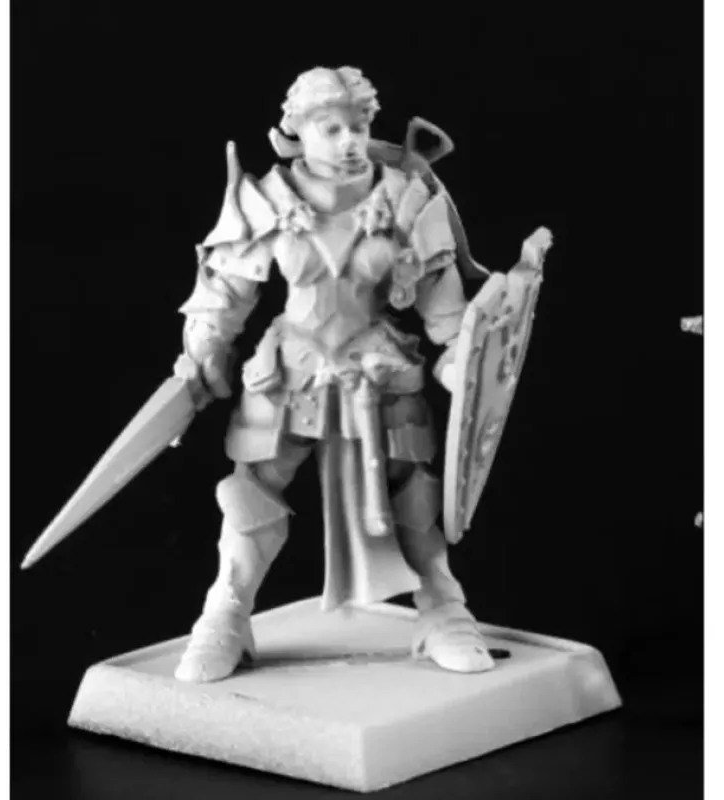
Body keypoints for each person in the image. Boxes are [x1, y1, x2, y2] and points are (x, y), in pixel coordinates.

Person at [172, 66, 495, 682]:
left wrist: (461, 357)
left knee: (413, 493)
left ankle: (443, 609)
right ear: (297, 129)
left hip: (379, 366)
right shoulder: (265, 199)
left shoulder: (406, 197)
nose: (349, 141)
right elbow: (224, 293)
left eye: (359, 127)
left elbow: (444, 302)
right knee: (253, 492)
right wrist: (205, 348)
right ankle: (226, 615)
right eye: (331, 128)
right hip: (289, 368)